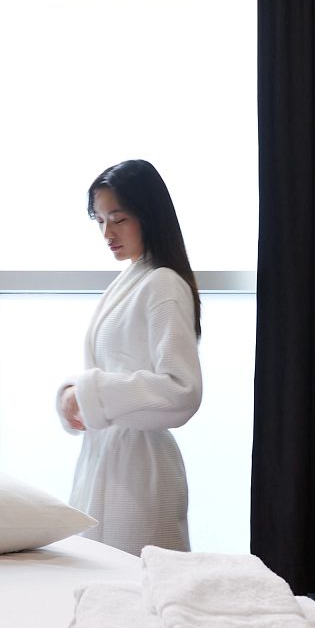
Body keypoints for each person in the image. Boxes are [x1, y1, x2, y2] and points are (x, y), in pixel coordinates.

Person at [55, 159, 204, 554]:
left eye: (118, 219)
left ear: (148, 214)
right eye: (100, 220)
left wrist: (90, 392)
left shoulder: (163, 284)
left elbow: (181, 391)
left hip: (141, 472)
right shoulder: (133, 278)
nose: (107, 232)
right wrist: (79, 394)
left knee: (138, 594)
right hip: (109, 458)